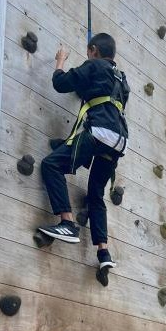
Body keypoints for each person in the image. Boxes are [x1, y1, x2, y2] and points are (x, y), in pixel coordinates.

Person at [39, 33, 129, 272]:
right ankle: (103, 251)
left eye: (88, 52)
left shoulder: (94, 65)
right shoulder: (121, 78)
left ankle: (67, 223)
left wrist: (60, 61)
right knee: (95, 194)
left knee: (51, 165)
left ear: (93, 50)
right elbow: (105, 99)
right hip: (119, 141)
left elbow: (61, 83)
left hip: (99, 133)